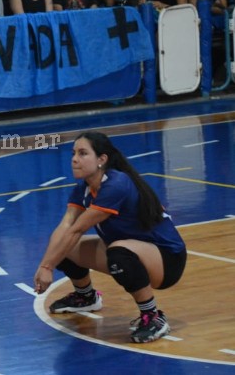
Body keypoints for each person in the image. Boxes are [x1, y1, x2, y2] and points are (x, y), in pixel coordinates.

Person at [34, 131, 186, 343]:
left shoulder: (117, 184)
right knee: (64, 245)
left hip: (167, 259)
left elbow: (77, 229)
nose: (74, 159)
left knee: (117, 252)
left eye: (83, 153)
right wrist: (45, 264)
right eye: (73, 153)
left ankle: (152, 317)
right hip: (136, 251)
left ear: (101, 160)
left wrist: (48, 267)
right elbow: (65, 227)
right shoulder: (84, 188)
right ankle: (85, 296)